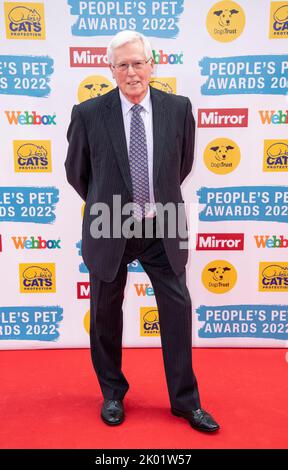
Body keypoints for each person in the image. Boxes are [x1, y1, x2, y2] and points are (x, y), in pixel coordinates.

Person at [65, 30, 219, 432]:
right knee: (103, 315)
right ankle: (113, 394)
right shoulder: (87, 113)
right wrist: (109, 202)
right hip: (109, 223)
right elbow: (77, 173)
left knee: (177, 310)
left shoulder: (178, 108)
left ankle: (186, 402)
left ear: (152, 64)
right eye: (122, 65)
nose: (131, 72)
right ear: (110, 69)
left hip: (162, 225)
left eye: (138, 62)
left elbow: (180, 166)